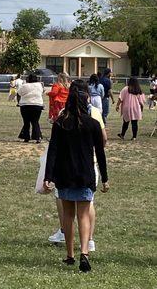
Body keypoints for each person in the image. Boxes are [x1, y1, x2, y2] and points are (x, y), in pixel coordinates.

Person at [43, 86, 109, 273]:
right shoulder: (93, 124)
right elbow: (100, 153)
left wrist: (48, 176)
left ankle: (70, 254)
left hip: (64, 174)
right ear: (85, 101)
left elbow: (53, 152)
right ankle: (85, 253)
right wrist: (105, 178)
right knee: (83, 215)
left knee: (68, 215)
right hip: (85, 174)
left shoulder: (60, 123)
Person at [17, 73, 44, 144]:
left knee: (26, 122)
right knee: (35, 121)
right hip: (37, 105)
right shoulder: (39, 85)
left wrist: (18, 102)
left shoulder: (25, 85)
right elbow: (41, 93)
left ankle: (26, 137)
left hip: (26, 105)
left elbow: (19, 93)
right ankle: (37, 137)